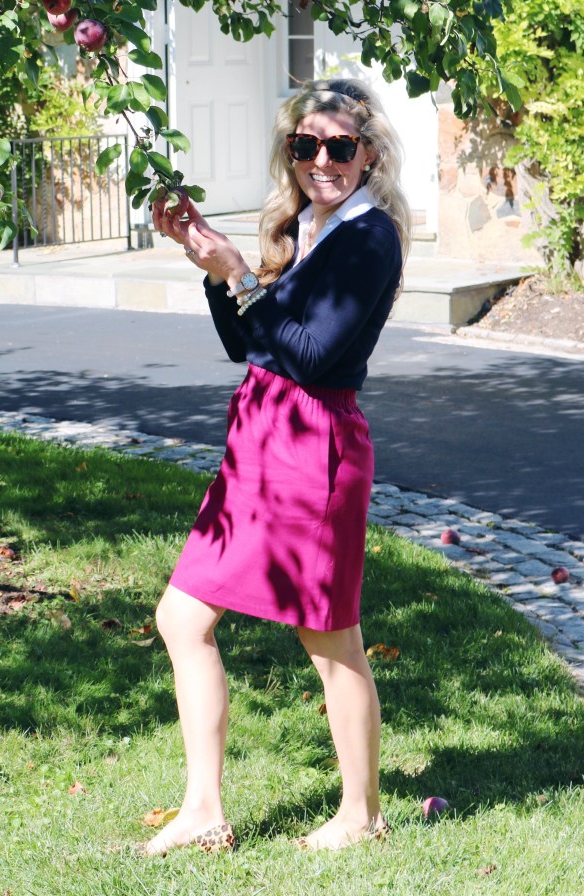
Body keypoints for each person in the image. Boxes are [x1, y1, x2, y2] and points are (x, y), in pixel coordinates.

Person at [145, 78, 411, 855]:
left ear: (368, 153)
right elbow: (249, 344)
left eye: (339, 146)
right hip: (259, 438)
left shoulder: (368, 237)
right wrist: (210, 266)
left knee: (328, 637)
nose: (321, 161)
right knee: (181, 617)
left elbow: (311, 356)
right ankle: (202, 810)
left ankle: (361, 816)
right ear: (289, 151)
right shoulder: (308, 225)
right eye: (305, 146)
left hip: (313, 445)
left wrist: (239, 274)